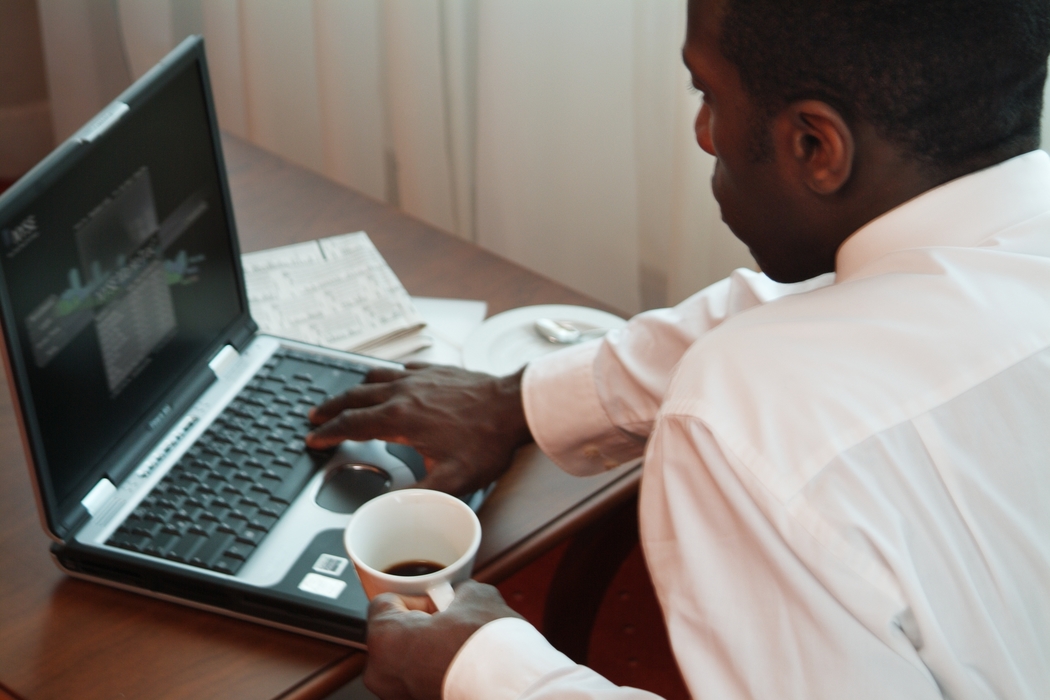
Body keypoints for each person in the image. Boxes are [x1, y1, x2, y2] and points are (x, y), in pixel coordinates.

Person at [307, 0, 1050, 697]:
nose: (704, 133)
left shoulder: (748, 419)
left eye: (711, 97)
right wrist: (517, 401)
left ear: (815, 146)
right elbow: (804, 309)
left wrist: (488, 670)